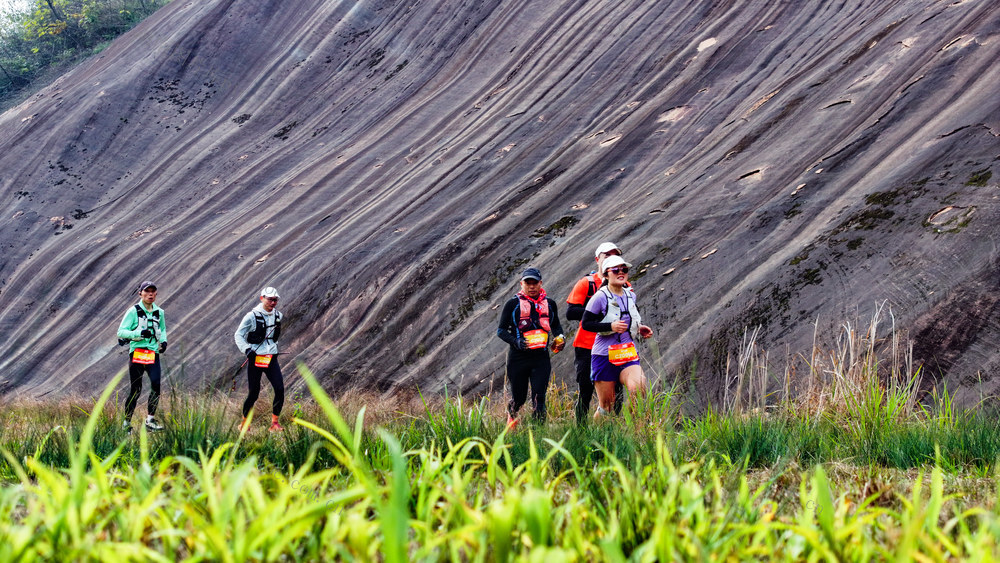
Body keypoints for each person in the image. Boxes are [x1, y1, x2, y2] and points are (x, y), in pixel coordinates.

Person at [581, 256, 653, 420]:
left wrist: (639, 328)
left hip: (627, 353)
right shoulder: (599, 297)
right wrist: (610, 327)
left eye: (624, 269)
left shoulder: (630, 296)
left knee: (639, 389)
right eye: (615, 270)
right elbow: (586, 324)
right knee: (607, 406)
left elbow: (628, 320)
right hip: (603, 356)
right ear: (606, 275)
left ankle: (631, 433)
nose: (620, 272)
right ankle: (595, 441)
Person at [496, 267, 566, 428]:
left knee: (539, 397)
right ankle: (512, 419)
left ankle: (537, 433)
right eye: (528, 283)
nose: (532, 286)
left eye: (535, 283)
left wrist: (560, 338)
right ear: (522, 284)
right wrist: (516, 342)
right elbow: (501, 331)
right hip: (518, 358)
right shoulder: (512, 304)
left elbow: (556, 326)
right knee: (519, 399)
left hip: (541, 358)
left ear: (541, 283)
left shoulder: (550, 304)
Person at [565, 242, 626, 423]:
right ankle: (581, 430)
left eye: (614, 255)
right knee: (585, 388)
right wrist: (597, 313)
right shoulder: (587, 283)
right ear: (597, 260)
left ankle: (612, 428)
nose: (610, 259)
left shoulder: (624, 283)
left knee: (617, 389)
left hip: (614, 345)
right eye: (606, 256)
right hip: (587, 344)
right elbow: (570, 312)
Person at [117, 280, 167, 433]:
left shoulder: (160, 312)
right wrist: (138, 333)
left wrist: (164, 341)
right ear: (140, 294)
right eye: (147, 291)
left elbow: (162, 329)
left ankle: (150, 421)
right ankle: (126, 423)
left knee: (156, 386)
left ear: (156, 293)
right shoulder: (133, 311)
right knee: (136, 389)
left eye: (153, 291)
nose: (150, 294)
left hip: (153, 353)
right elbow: (121, 332)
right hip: (137, 352)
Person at [234, 286, 285, 431]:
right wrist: (246, 349)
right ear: (262, 298)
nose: (273, 303)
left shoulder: (278, 315)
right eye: (270, 299)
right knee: (253, 393)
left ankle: (274, 423)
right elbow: (238, 335)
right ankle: (244, 424)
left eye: (275, 300)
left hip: (271, 358)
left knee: (279, 389)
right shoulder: (251, 316)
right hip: (255, 358)